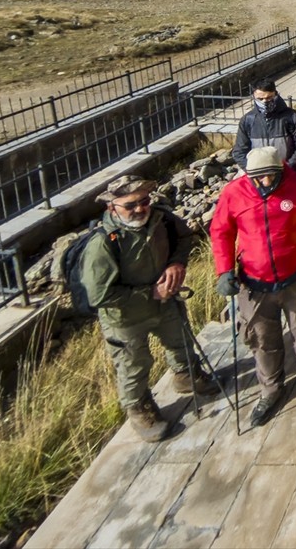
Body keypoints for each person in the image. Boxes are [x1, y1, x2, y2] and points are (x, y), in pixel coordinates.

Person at [78, 175, 216, 442]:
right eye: (130, 205)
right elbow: (98, 295)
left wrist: (177, 265)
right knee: (133, 364)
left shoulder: (162, 219)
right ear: (112, 208)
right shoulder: (103, 243)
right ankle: (139, 408)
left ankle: (186, 375)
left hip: (166, 304)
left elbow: (184, 238)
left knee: (180, 341)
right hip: (126, 317)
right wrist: (150, 293)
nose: (140, 209)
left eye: (144, 201)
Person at [211, 146, 296, 428]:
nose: (265, 181)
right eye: (259, 177)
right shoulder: (234, 194)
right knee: (262, 339)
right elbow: (221, 231)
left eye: (270, 175)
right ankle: (270, 389)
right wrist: (224, 270)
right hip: (254, 282)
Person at [231, 79, 296, 172]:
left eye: (269, 98)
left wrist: (289, 167)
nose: (264, 102)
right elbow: (239, 151)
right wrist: (252, 170)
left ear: (275, 94)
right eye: (260, 99)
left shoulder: (292, 117)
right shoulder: (247, 120)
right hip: (258, 176)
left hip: (288, 173)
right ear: (254, 97)